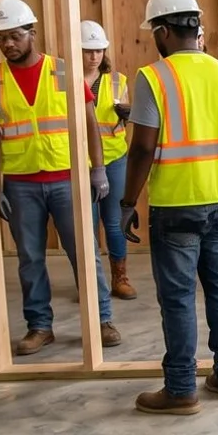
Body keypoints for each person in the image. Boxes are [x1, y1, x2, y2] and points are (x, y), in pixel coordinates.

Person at [115, 0, 218, 415]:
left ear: (162, 32)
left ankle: (180, 389)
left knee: (177, 298)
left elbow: (142, 148)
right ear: (197, 27)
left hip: (176, 205)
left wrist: (127, 202)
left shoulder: (153, 77)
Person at [0, 0, 120, 354]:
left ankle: (101, 320)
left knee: (84, 253)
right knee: (30, 258)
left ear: (32, 32)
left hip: (67, 179)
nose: (8, 44)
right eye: (0, 38)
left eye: (14, 35)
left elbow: (90, 123)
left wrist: (98, 169)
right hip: (20, 183)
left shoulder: (63, 71)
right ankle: (40, 327)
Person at [82, 20, 138, 300]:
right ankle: (92, 283)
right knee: (87, 225)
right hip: (80, 162)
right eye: (88, 50)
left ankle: (120, 277)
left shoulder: (118, 81)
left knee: (114, 222)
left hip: (115, 159)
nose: (94, 56)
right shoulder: (63, 83)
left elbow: (125, 118)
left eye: (99, 50)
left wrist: (128, 113)